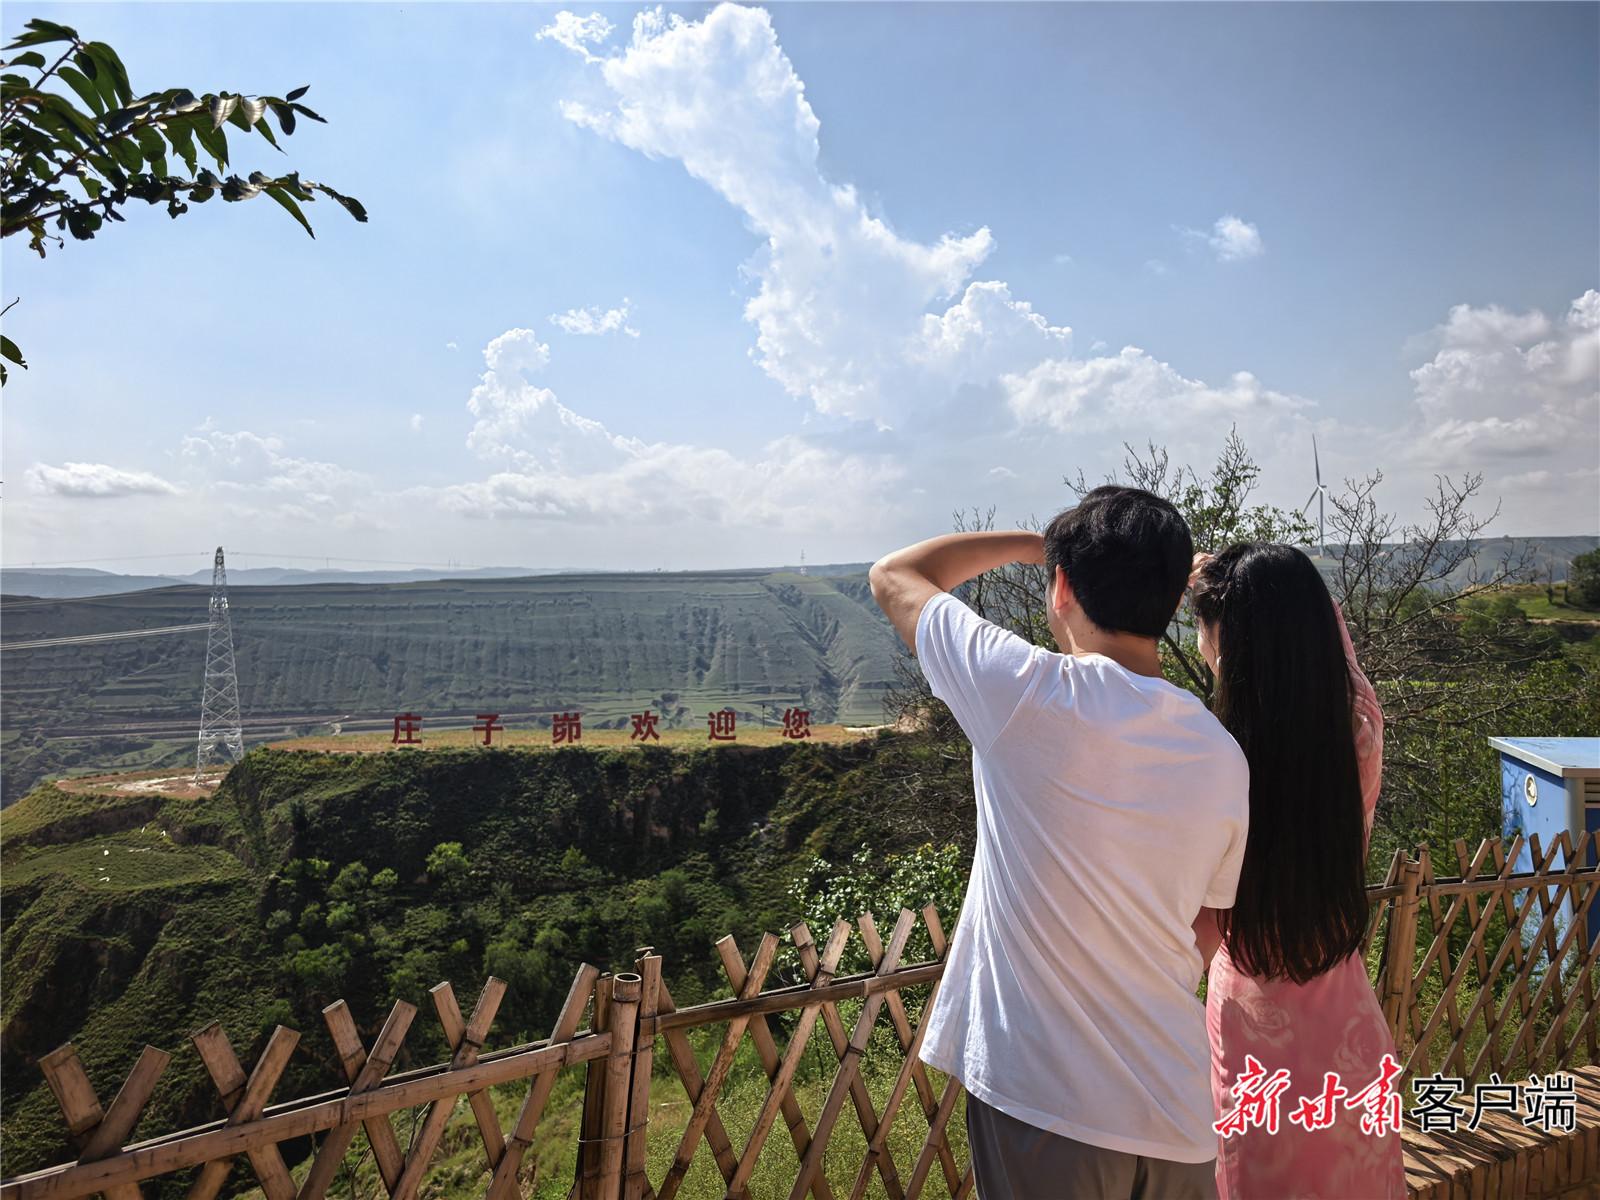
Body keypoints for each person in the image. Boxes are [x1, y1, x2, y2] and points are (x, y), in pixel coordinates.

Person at [869, 486, 1249, 1200]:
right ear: (1175, 603)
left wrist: (1034, 546)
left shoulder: (1024, 692)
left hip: (1048, 1103)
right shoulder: (1220, 752)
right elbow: (1211, 921)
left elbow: (895, 574)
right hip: (1179, 1113)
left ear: (1063, 587)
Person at [1190, 543, 1406, 1200]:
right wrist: (1250, 581)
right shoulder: (1358, 727)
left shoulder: (1218, 761)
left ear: (1229, 642)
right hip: (1347, 1025)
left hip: (1253, 1030)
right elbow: (1327, 627)